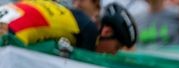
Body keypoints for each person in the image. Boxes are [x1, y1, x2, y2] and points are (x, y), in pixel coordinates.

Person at [0, 0, 136, 53]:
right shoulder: (89, 32)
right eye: (116, 47)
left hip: (7, 25)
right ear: (107, 32)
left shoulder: (74, 16)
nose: (113, 54)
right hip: (7, 32)